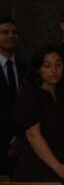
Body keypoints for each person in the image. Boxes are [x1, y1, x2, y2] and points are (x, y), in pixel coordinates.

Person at [12, 45, 64, 183]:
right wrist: (58, 167)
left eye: (58, 65)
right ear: (38, 69)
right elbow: (33, 137)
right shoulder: (29, 94)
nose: (54, 70)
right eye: (47, 66)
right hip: (38, 166)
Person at [0, 15, 25, 175]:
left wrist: (21, 139)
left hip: (25, 149)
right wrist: (8, 141)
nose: (10, 36)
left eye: (14, 32)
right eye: (4, 32)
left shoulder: (27, 68)